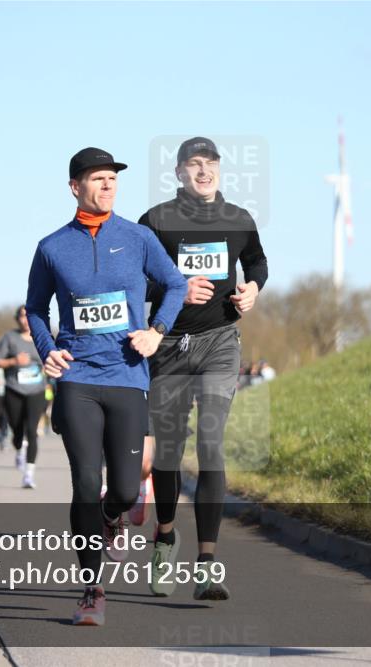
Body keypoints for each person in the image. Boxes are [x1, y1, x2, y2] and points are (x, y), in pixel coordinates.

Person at [26, 147, 186, 626]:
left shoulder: (138, 238)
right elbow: (35, 308)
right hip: (77, 378)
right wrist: (47, 348)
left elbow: (176, 285)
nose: (108, 185)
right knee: (84, 482)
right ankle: (92, 590)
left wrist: (156, 331)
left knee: (123, 488)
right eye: (98, 178)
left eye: (113, 178)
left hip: (127, 376)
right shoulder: (52, 247)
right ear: (75, 187)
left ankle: (113, 516)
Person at [139, 136, 268, 600]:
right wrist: (174, 288)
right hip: (170, 346)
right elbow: (134, 280)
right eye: (193, 163)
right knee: (169, 451)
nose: (203, 170)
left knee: (211, 445)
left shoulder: (238, 219)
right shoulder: (156, 221)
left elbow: (257, 261)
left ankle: (208, 565)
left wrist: (252, 288)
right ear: (179, 172)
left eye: (210, 162)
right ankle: (165, 536)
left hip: (219, 342)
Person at [0, 306, 47, 488]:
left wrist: (48, 366)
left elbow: (52, 357)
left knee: (32, 431)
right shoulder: (9, 338)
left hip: (36, 391)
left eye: (28, 316)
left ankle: (29, 474)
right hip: (14, 390)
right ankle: (18, 447)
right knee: (17, 430)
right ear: (17, 319)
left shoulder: (42, 336)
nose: (25, 320)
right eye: (22, 316)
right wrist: (13, 361)